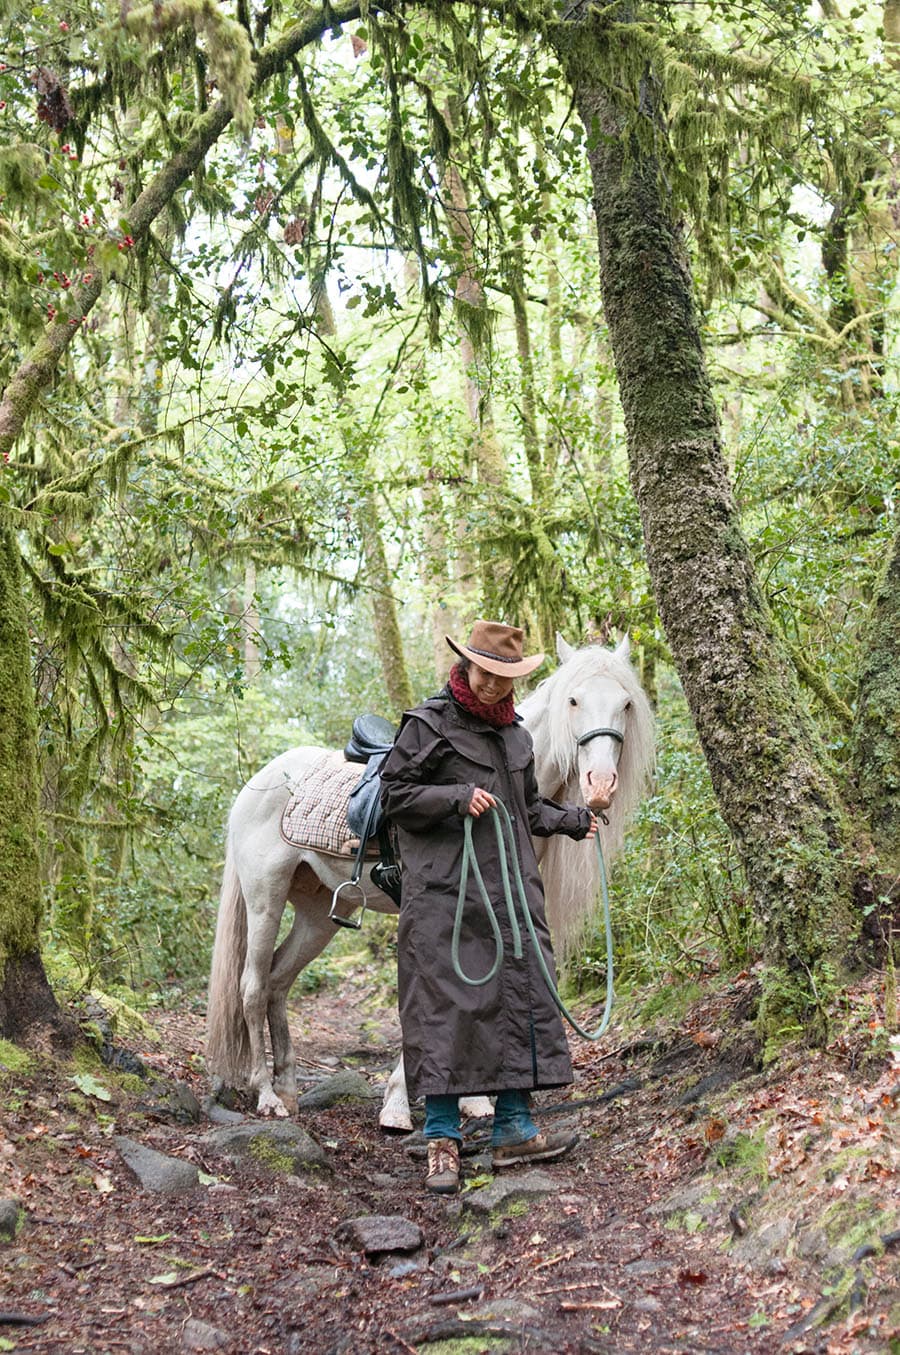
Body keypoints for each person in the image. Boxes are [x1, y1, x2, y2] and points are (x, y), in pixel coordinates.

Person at [379, 619, 598, 1194]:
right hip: (445, 893)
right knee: (446, 1006)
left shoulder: (516, 737)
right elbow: (395, 796)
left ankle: (513, 1128)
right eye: (486, 673)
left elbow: (526, 811)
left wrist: (580, 818)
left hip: (511, 889)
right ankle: (443, 1141)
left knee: (522, 992)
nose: (494, 686)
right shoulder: (428, 725)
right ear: (466, 666)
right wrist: (455, 798)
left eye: (505, 677)